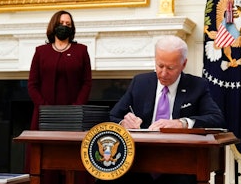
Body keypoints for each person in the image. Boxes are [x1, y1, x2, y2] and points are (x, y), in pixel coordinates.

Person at [107, 35, 226, 184]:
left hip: (179, 160)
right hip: (139, 158)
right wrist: (123, 124)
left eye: (170, 68)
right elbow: (113, 116)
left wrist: (182, 123)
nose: (163, 73)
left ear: (183, 64)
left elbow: (216, 118)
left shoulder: (197, 86)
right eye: (159, 65)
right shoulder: (140, 82)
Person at [27, 10, 93, 184]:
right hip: (44, 116)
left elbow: (87, 83)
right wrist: (44, 107)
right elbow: (32, 84)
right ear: (53, 26)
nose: (64, 26)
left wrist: (76, 107)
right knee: (45, 163)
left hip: (73, 117)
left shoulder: (81, 51)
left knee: (73, 162)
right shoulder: (41, 52)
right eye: (61, 23)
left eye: (68, 24)